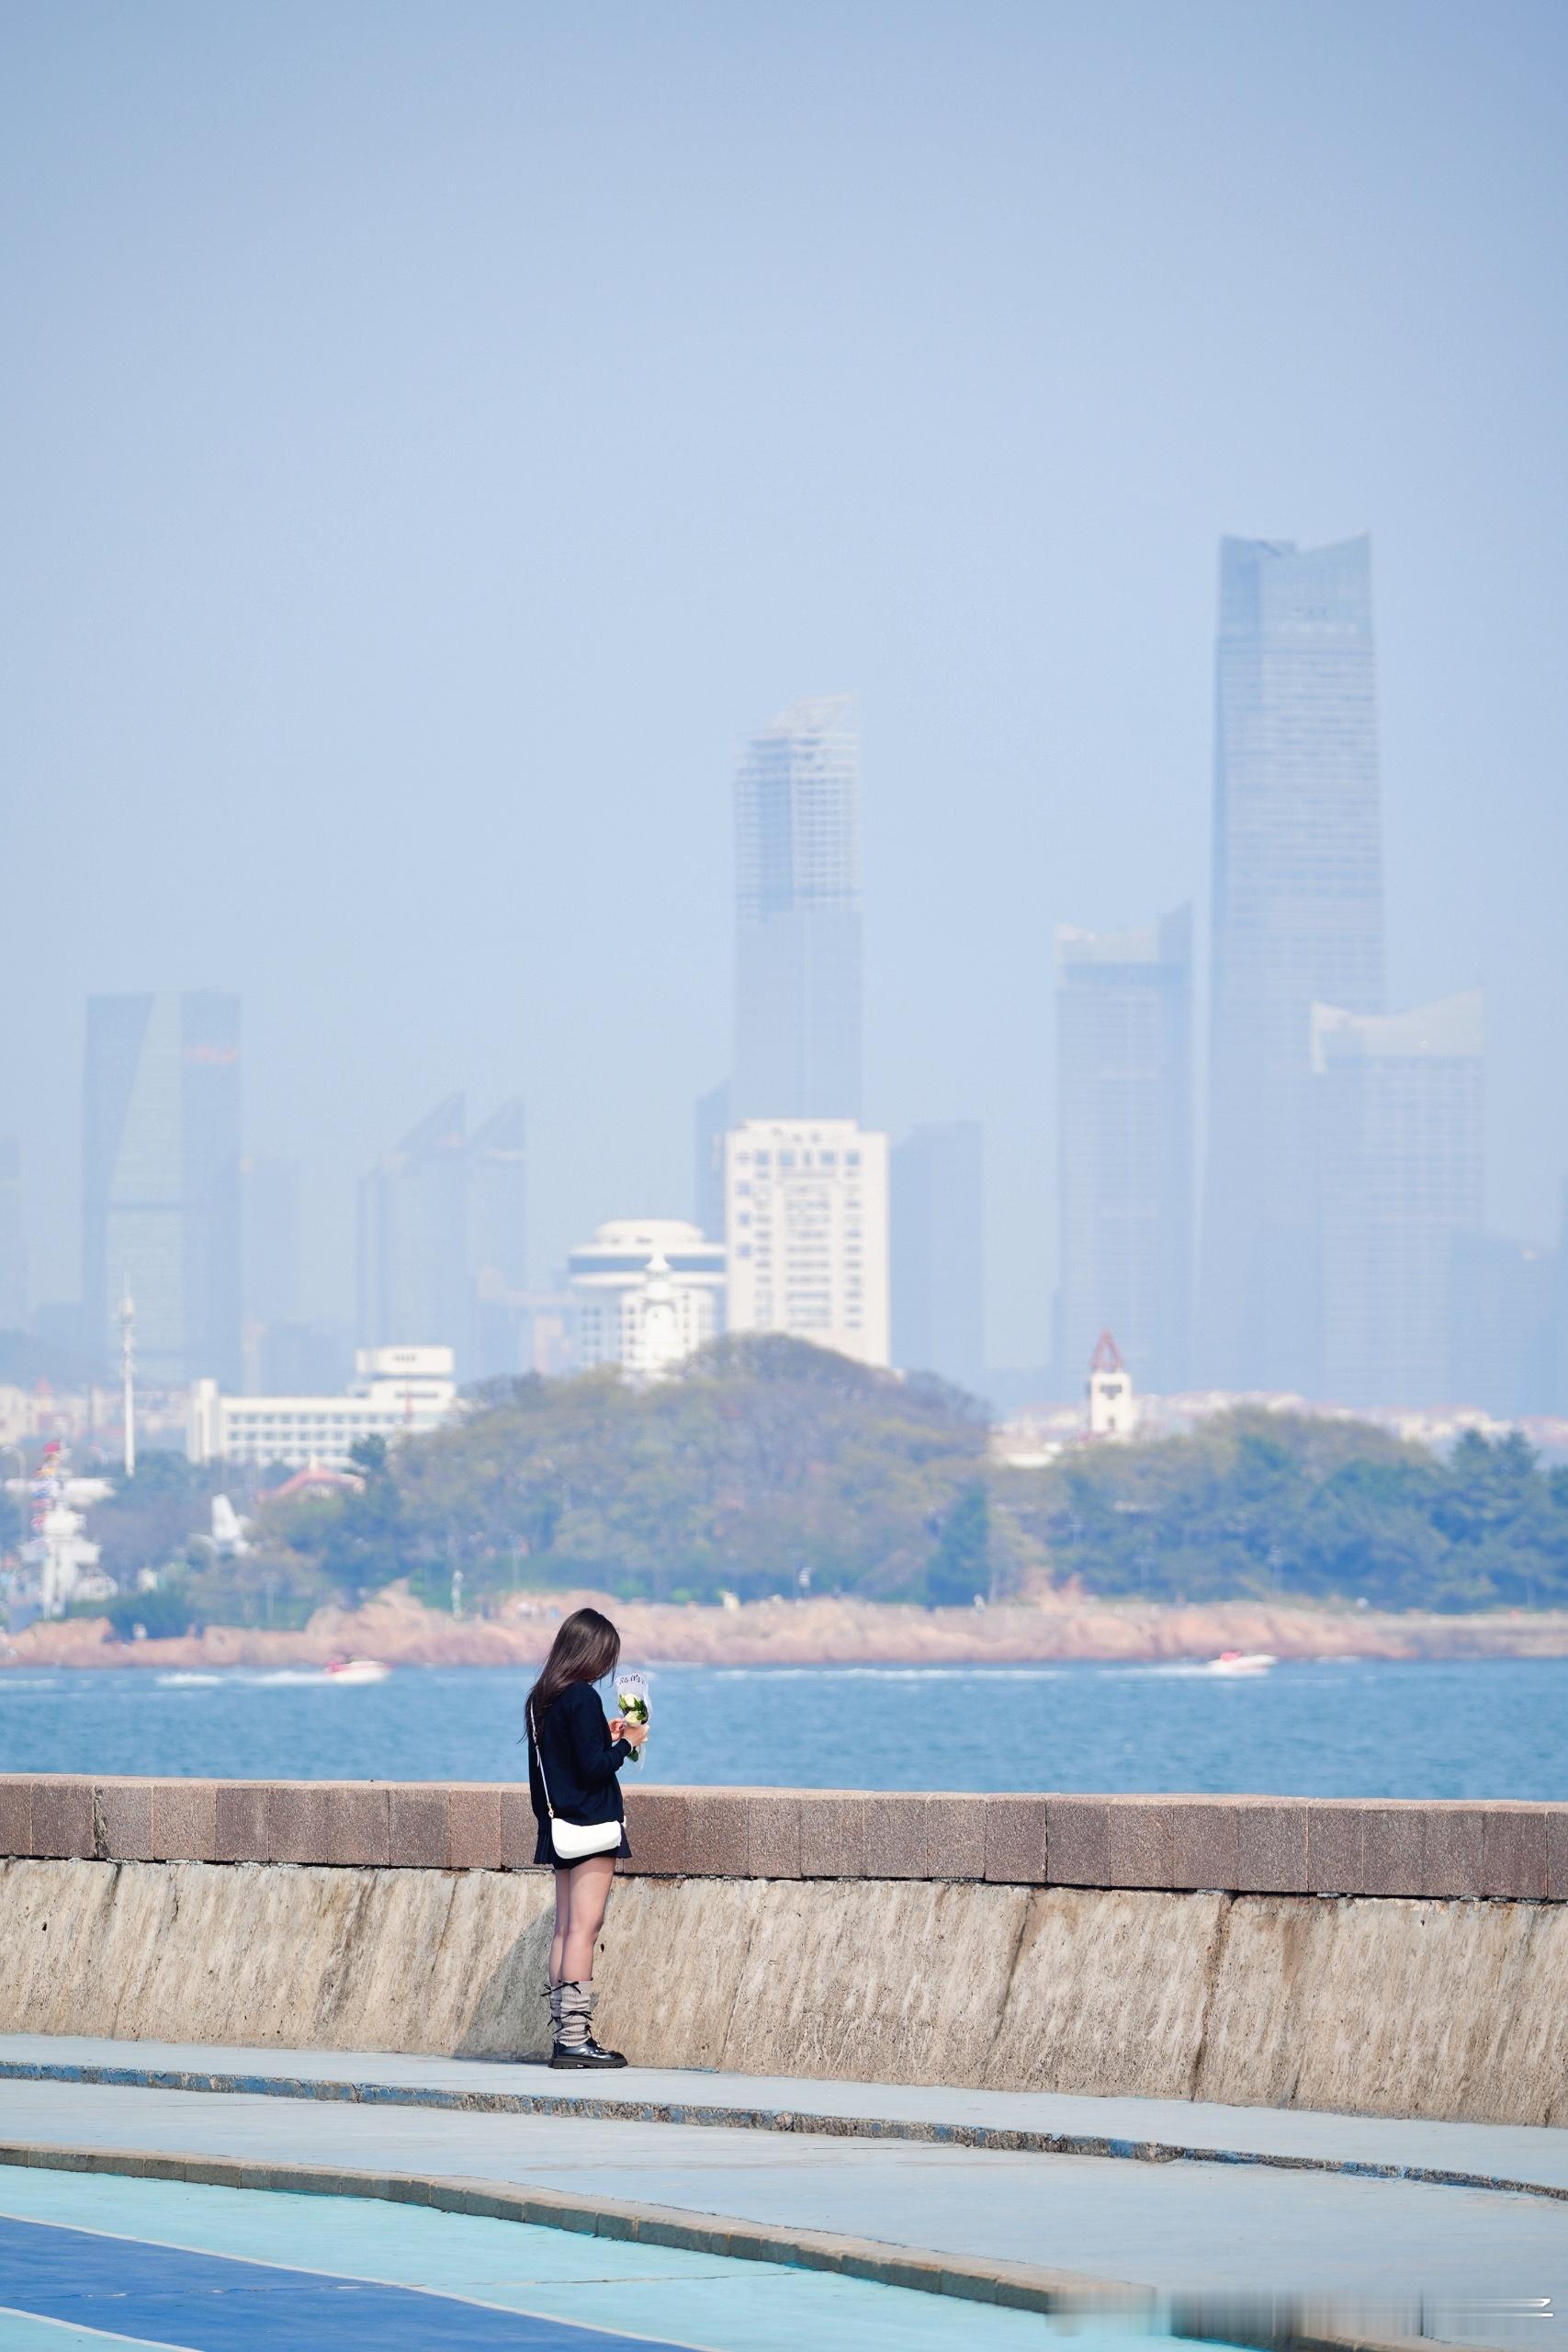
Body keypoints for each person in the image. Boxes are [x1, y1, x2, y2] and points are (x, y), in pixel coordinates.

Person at [525, 1605, 647, 2069]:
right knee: (584, 1929)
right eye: (605, 1657)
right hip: (591, 1825)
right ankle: (576, 2040)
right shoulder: (582, 1697)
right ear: (592, 1652)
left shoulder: (543, 1697)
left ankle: (564, 2036)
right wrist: (626, 1743)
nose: (605, 1667)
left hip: (557, 1826)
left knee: (564, 1928)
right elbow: (595, 1767)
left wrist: (606, 1736)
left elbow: (560, 1761)